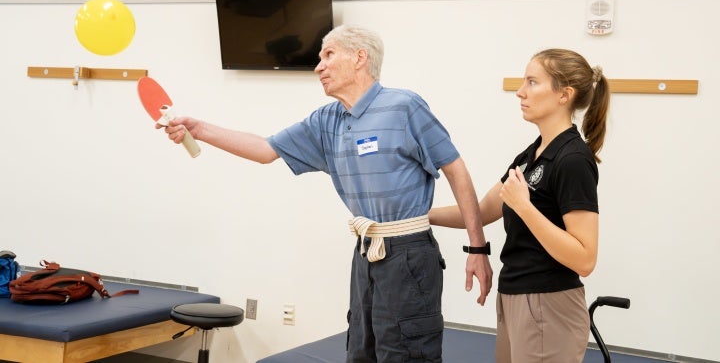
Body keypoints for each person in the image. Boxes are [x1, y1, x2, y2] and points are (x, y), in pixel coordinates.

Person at [160, 24, 492, 362]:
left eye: (328, 55)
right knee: (361, 350)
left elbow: (456, 170)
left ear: (360, 57)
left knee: (406, 353)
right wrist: (199, 130)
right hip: (365, 251)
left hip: (408, 253)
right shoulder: (326, 121)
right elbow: (264, 149)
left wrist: (477, 248)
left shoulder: (404, 106)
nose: (319, 66)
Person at [429, 48, 610, 362]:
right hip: (514, 296)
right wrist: (415, 216)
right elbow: (482, 210)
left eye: (532, 82)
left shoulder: (573, 160)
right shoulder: (532, 154)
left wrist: (525, 208)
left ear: (564, 95)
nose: (520, 92)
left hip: (549, 303)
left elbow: (584, 259)